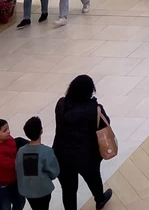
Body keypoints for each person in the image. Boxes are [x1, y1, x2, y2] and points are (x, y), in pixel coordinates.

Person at [53, 76, 113, 210]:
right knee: (94, 179)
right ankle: (100, 200)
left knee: (68, 190)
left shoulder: (61, 104)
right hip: (87, 155)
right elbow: (105, 124)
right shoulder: (94, 109)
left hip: (62, 155)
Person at [15, 117, 59, 210]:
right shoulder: (47, 151)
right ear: (41, 131)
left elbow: (18, 168)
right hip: (43, 189)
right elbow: (54, 172)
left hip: (27, 189)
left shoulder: (21, 151)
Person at [0, 119, 25, 210]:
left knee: (20, 202)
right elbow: (12, 164)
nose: (8, 131)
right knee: (5, 206)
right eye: (4, 130)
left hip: (15, 179)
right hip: (2, 184)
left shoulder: (8, 139)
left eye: (8, 128)